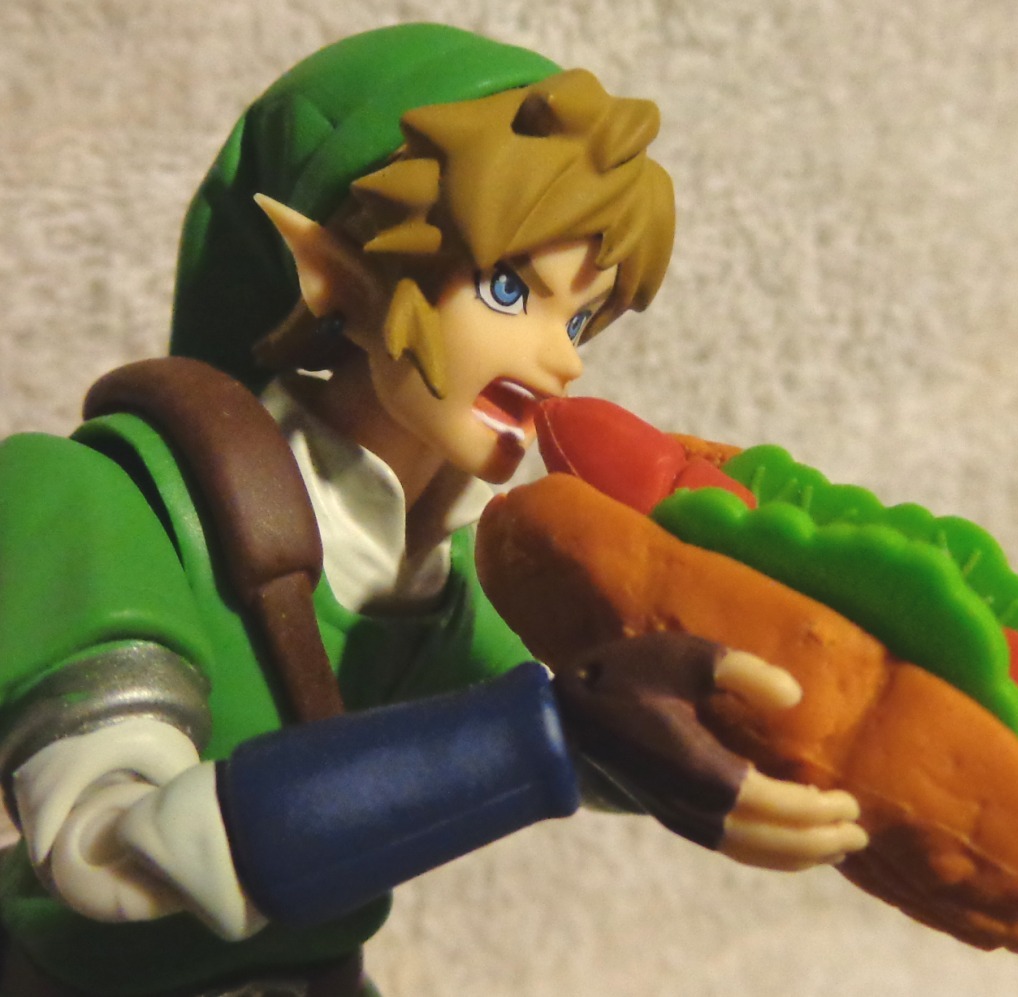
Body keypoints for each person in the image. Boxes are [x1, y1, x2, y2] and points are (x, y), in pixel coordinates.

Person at [0, 24, 865, 996]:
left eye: (582, 317)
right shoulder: (101, 500)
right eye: (509, 288)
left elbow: (593, 724)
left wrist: (760, 729)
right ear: (333, 271)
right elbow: (110, 852)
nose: (562, 358)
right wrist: (546, 737)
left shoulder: (443, 566)